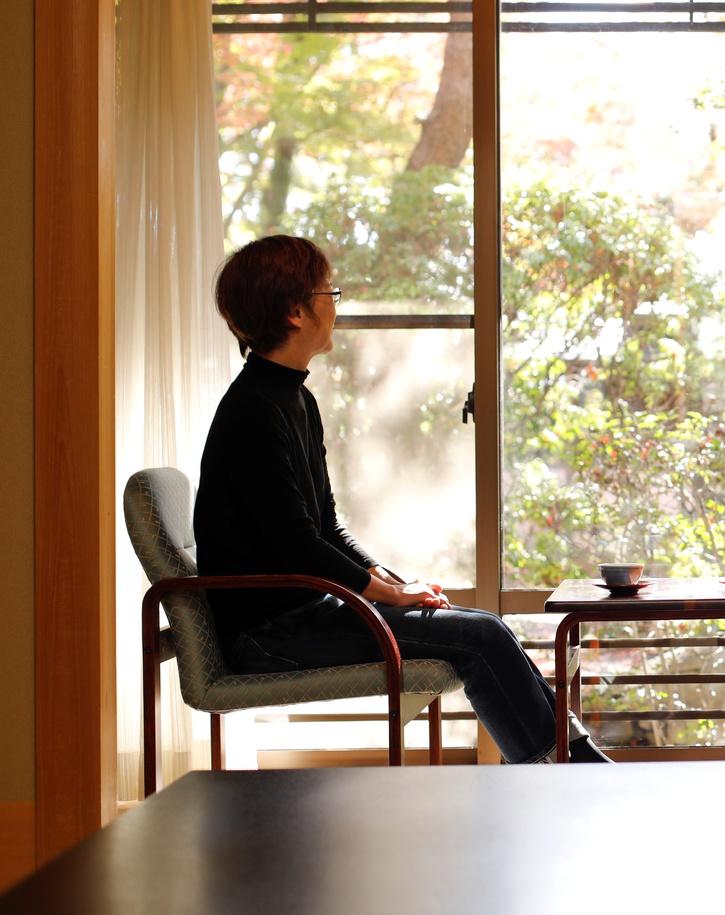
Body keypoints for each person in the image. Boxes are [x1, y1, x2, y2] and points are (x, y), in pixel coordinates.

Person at [193, 234, 612, 764]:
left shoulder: (295, 398)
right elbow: (297, 545)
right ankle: (569, 774)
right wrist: (388, 597)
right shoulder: (252, 411)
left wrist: (393, 582)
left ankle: (567, 767)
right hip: (269, 634)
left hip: (308, 612)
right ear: (297, 312)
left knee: (484, 629)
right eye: (328, 292)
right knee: (481, 636)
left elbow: (326, 527)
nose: (334, 302)